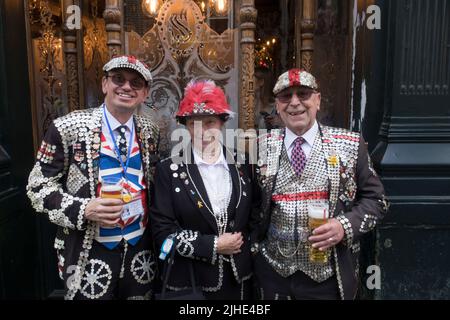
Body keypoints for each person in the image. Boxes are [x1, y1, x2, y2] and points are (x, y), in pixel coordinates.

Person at [27, 55, 160, 300]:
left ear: (145, 93)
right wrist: (84, 208)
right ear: (104, 84)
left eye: (135, 83)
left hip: (140, 251)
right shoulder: (67, 127)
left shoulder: (150, 130)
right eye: (118, 79)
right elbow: (38, 187)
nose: (126, 87)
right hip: (88, 251)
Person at [250, 68, 389, 300]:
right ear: (277, 104)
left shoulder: (350, 144)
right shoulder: (261, 146)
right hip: (272, 275)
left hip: (328, 278)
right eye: (286, 96)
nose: (295, 103)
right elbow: (252, 205)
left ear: (318, 100)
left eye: (303, 94)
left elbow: (378, 201)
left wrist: (344, 225)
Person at [150, 80, 253, 300]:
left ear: (222, 123)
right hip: (190, 284)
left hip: (239, 282)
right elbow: (162, 232)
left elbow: (254, 217)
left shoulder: (243, 163)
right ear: (185, 126)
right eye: (194, 123)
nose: (202, 131)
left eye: (210, 122)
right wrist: (213, 245)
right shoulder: (168, 169)